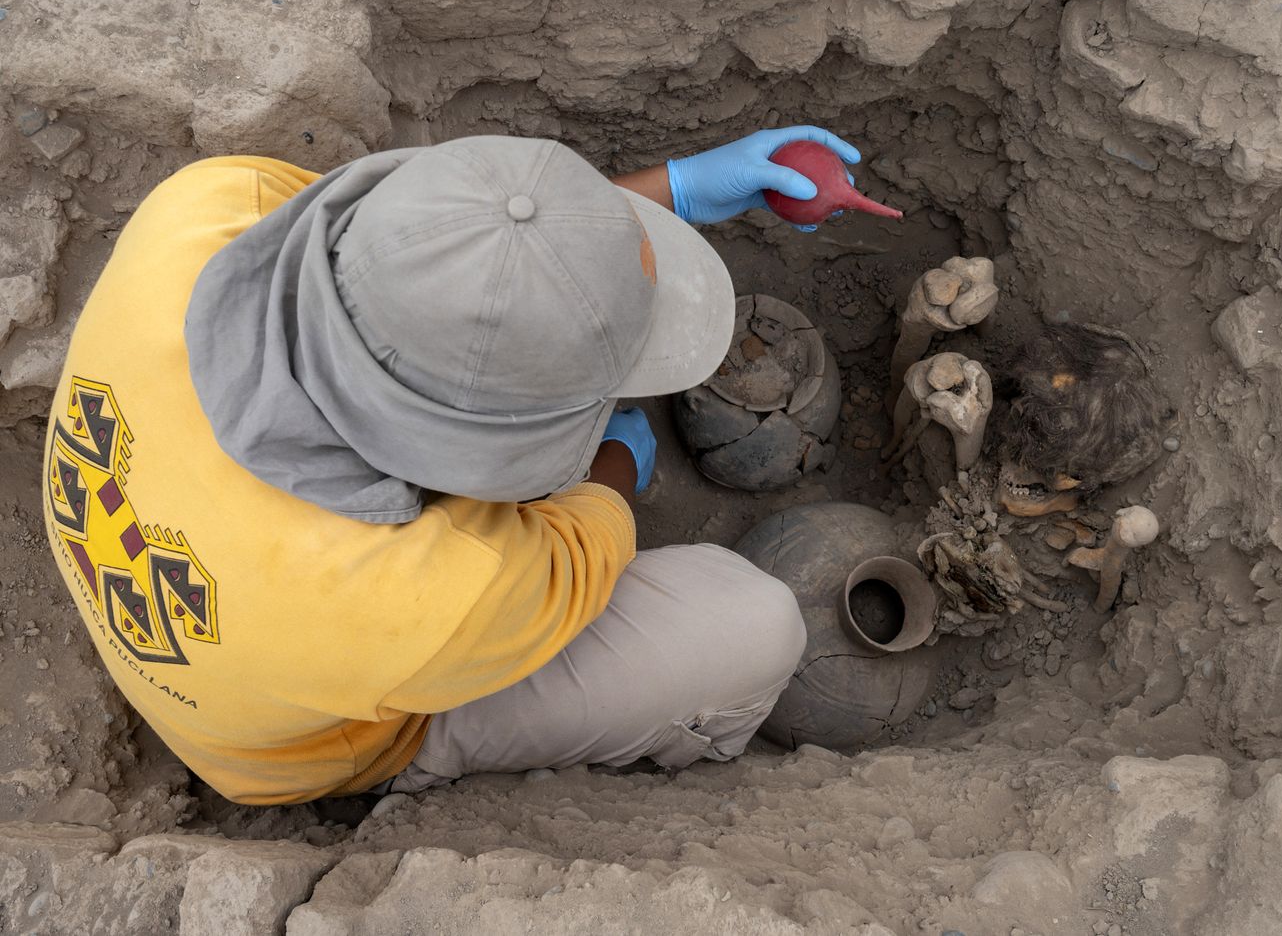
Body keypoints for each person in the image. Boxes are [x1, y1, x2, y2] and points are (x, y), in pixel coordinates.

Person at [42, 126, 861, 804]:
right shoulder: (435, 587)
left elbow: (421, 265)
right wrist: (613, 456)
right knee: (752, 626)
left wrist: (669, 192)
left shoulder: (212, 208)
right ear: (483, 446)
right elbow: (576, 548)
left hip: (180, 582)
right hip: (288, 751)